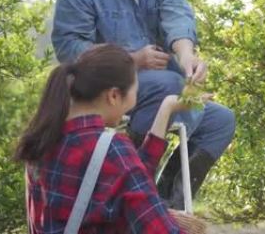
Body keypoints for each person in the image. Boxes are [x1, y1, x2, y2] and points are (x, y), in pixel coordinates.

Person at [51, 0, 235, 209]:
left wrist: (187, 56)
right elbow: (68, 49)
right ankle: (132, 179)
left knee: (221, 120)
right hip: (108, 96)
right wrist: (130, 61)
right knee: (168, 83)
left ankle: (164, 203)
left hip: (161, 94)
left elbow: (177, 17)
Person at [15, 44, 189, 233]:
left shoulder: (42, 138)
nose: (134, 102)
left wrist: (166, 109)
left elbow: (129, 182)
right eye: (134, 93)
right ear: (114, 95)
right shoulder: (111, 149)